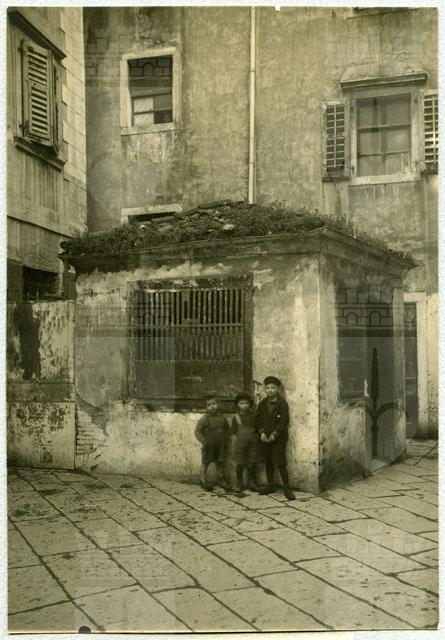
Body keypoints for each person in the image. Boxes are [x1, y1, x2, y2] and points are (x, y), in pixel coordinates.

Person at [255, 376, 296, 500]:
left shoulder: (282, 404)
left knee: (280, 461)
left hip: (278, 439)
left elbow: (284, 421)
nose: (270, 390)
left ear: (278, 389)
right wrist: (262, 433)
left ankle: (286, 488)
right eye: (267, 388)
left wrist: (274, 434)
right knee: (268, 461)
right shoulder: (262, 404)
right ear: (265, 389)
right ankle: (270, 485)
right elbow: (257, 420)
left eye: (273, 388)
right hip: (265, 438)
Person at [195, 393, 230, 491]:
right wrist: (204, 441)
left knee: (220, 461)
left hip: (220, 444)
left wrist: (226, 439)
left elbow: (227, 429)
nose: (212, 406)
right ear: (206, 407)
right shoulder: (204, 419)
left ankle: (221, 479)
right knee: (206, 462)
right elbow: (197, 432)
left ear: (217, 404)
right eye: (209, 405)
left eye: (214, 404)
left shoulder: (222, 418)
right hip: (209, 444)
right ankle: (203, 479)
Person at [231, 392, 260, 494]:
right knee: (240, 463)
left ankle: (252, 482)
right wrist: (235, 443)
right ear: (237, 405)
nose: (244, 406)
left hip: (252, 443)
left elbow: (257, 428)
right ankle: (239, 483)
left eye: (246, 403)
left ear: (250, 404)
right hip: (240, 444)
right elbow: (234, 431)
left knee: (252, 462)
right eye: (241, 403)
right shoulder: (236, 417)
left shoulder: (253, 416)